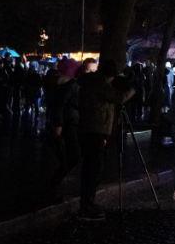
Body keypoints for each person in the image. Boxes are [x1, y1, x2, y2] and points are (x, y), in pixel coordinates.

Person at [76, 67, 135, 221]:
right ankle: (86, 206)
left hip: (91, 130)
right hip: (95, 131)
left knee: (92, 168)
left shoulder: (91, 83)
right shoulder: (100, 85)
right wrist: (132, 89)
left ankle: (88, 203)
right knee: (93, 169)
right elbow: (119, 98)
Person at [43, 57, 81, 200]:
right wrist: (58, 124)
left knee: (66, 156)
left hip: (64, 123)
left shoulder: (56, 84)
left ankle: (54, 184)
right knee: (72, 156)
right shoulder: (71, 85)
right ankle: (53, 185)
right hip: (68, 123)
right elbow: (61, 105)